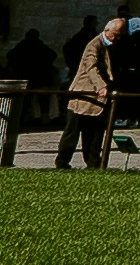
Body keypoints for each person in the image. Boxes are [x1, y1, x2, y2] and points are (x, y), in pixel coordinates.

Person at [54, 17, 123, 169]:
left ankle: (93, 164)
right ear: (107, 30)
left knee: (93, 135)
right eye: (116, 34)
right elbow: (91, 68)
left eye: (120, 35)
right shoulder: (94, 45)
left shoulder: (108, 45)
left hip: (95, 99)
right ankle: (62, 163)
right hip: (83, 96)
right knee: (72, 133)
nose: (117, 38)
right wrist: (101, 86)